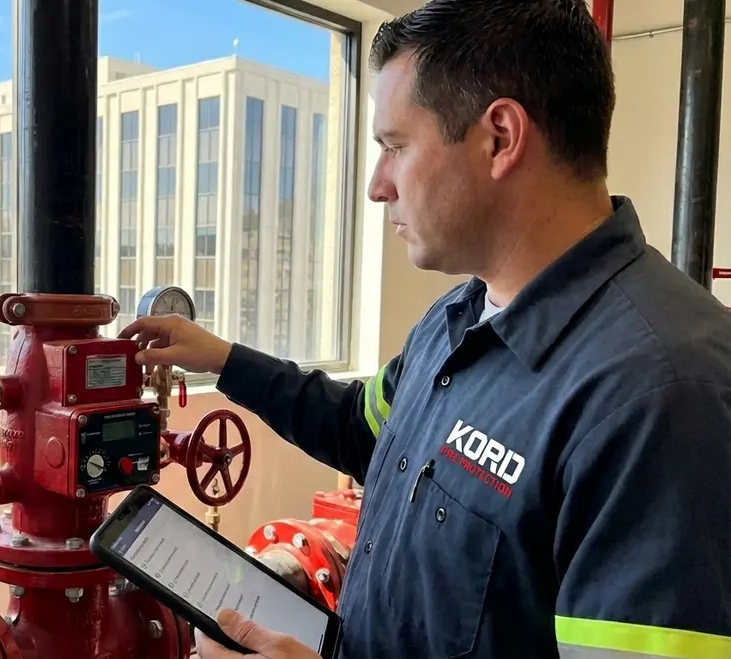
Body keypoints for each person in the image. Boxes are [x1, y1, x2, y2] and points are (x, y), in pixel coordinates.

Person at [121, 1, 731, 657]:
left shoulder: (661, 395)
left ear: (499, 137)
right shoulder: (457, 317)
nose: (377, 186)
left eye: (394, 147)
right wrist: (223, 358)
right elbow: (364, 427)